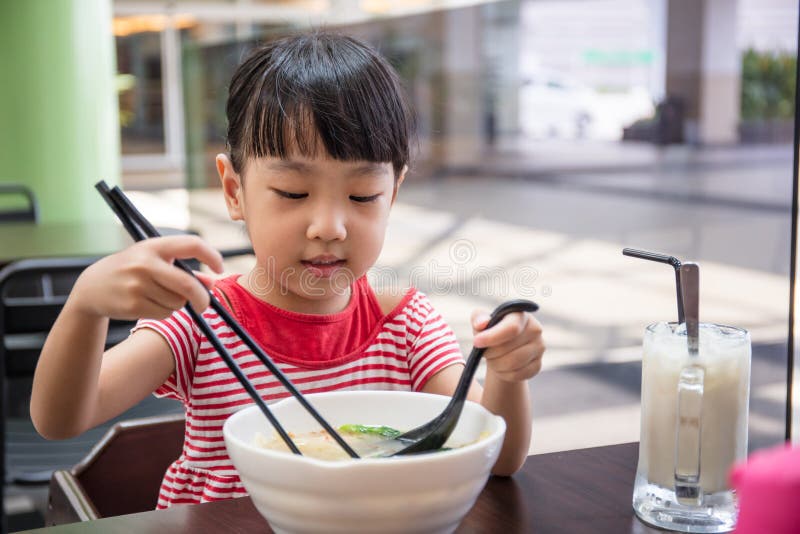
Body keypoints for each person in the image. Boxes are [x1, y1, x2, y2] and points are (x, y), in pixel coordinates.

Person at [30, 31, 545, 509]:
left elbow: (498, 458)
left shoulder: (405, 325)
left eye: (363, 195)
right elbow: (60, 419)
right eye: (294, 193)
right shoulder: (201, 318)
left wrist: (505, 373)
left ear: (395, 192)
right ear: (234, 190)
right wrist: (85, 306)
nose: (329, 226)